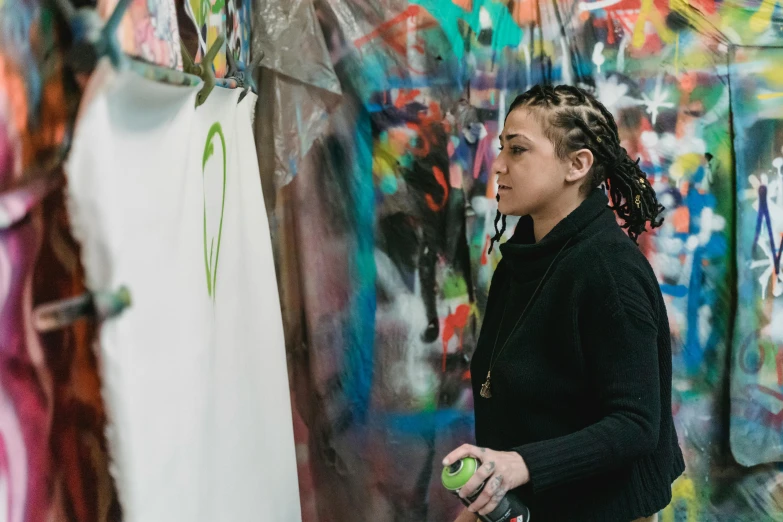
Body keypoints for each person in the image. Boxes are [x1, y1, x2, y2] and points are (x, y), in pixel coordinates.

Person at [443, 84, 685, 522]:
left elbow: (635, 424)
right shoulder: (520, 261)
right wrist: (489, 501)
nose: (497, 165)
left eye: (517, 150)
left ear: (577, 164)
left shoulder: (609, 271)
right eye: (501, 148)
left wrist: (522, 465)